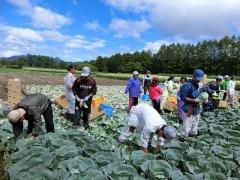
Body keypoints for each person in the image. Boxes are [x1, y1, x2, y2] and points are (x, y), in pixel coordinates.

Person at [178, 69, 205, 138]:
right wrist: (194, 100)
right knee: (187, 125)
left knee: (195, 124)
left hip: (197, 108)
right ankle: (183, 138)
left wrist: (204, 98)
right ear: (193, 76)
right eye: (197, 79)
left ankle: (193, 135)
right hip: (189, 108)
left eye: (200, 79)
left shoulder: (199, 85)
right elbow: (183, 97)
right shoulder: (187, 85)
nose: (198, 80)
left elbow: (202, 94)